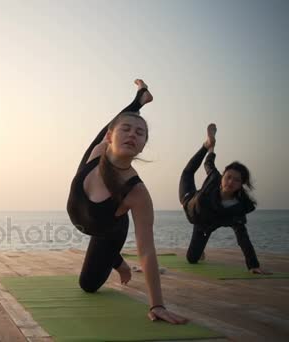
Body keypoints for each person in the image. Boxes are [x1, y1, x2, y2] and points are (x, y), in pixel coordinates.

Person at [67, 79, 187, 324]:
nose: (133, 134)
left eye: (140, 133)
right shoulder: (98, 150)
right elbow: (111, 126)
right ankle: (141, 99)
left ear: (142, 146)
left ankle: (117, 260)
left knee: (88, 286)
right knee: (108, 131)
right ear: (111, 137)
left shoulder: (137, 193)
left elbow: (147, 251)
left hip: (107, 231)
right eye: (126, 130)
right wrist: (137, 103)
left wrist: (157, 305)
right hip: (86, 211)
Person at [179, 123, 270, 274]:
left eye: (236, 180)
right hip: (189, 199)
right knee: (187, 172)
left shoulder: (237, 208)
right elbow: (208, 163)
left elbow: (243, 238)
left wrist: (253, 265)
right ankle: (206, 144)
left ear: (241, 185)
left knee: (192, 259)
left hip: (203, 225)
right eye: (228, 177)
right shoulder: (214, 177)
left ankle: (199, 251)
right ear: (222, 177)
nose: (230, 182)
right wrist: (210, 149)